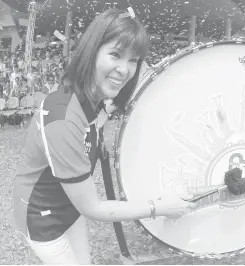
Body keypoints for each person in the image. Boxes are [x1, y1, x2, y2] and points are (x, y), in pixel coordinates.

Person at [13, 8, 195, 265]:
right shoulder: (62, 119)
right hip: (41, 218)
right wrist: (159, 207)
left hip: (69, 208)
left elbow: (97, 119)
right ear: (91, 52)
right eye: (115, 55)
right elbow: (93, 208)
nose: (125, 69)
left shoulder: (91, 98)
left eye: (134, 60)